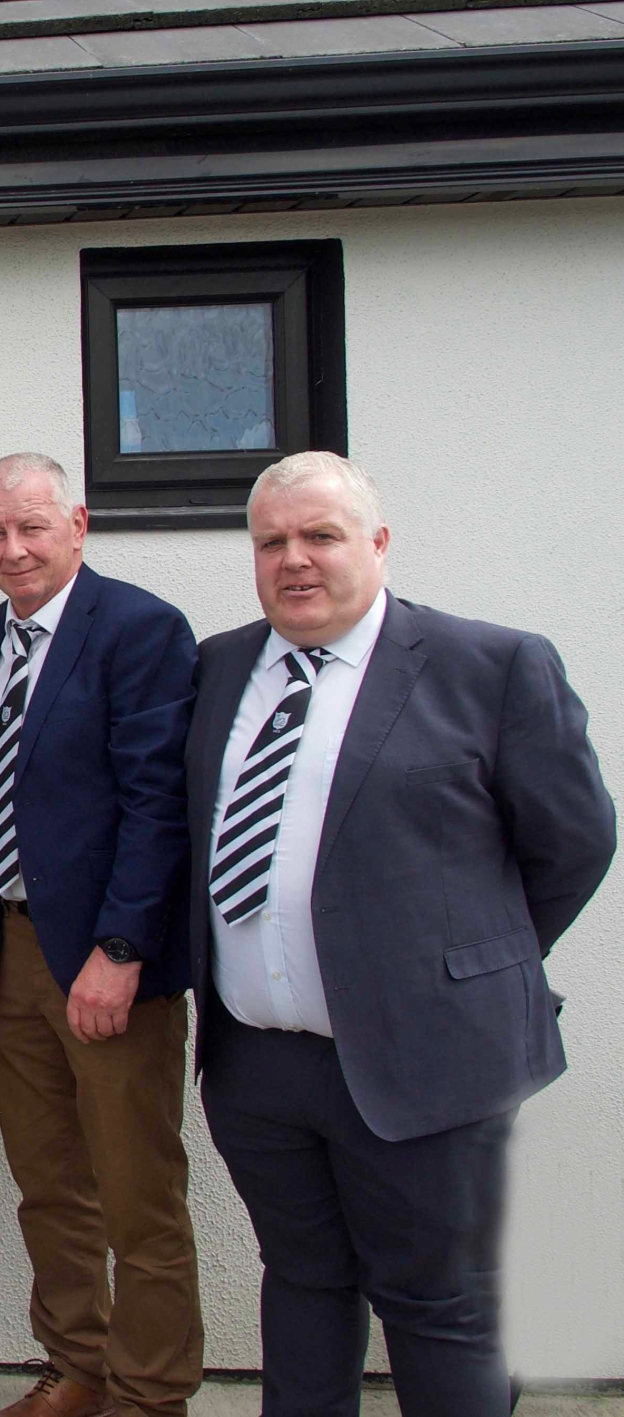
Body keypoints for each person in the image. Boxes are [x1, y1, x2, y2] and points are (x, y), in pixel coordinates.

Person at [185, 451, 613, 1416]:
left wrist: (458, 967)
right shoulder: (217, 668)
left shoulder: (492, 665)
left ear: (377, 543)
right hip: (258, 1066)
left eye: (320, 536)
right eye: (271, 541)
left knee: (440, 1306)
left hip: (427, 1062)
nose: (294, 559)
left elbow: (574, 844)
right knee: (301, 1283)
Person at [0, 454, 202, 1417]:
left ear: (78, 524)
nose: (13, 550)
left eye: (32, 527)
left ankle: (151, 1393)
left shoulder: (139, 628)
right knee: (50, 1187)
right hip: (9, 947)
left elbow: (158, 803)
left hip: (105, 959)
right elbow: (5, 782)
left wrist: (120, 951)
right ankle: (79, 1365)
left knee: (139, 1198)